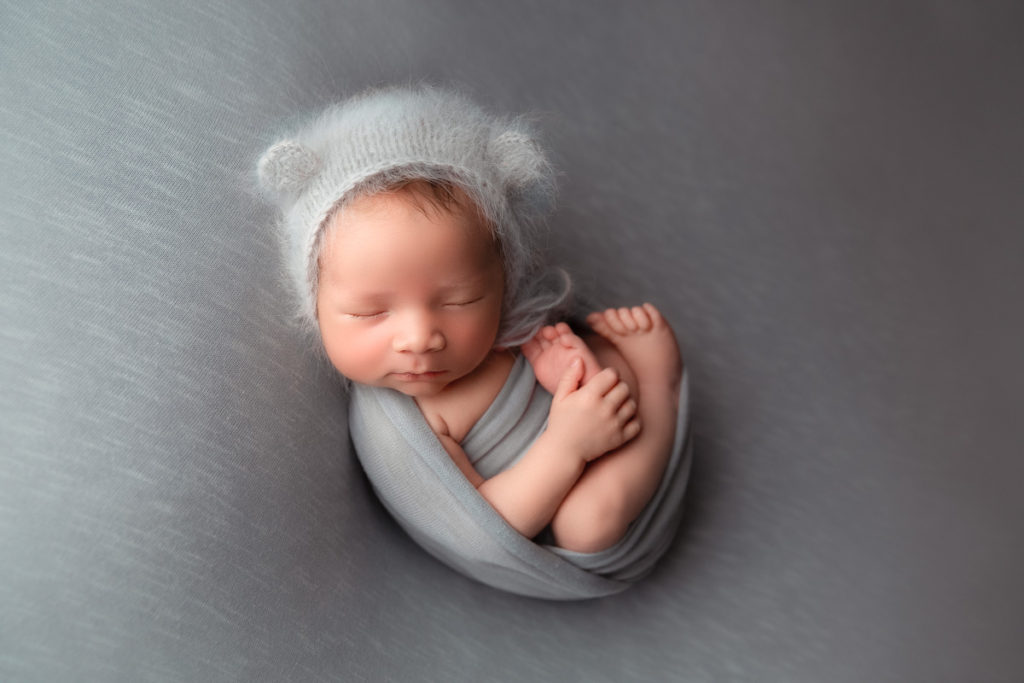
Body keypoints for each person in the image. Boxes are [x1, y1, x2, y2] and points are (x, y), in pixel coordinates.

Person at [259, 85, 682, 554]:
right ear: (314, 308)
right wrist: (567, 444)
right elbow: (490, 529)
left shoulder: (506, 332)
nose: (420, 339)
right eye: (371, 311)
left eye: (460, 301)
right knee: (587, 526)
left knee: (589, 362)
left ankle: (633, 385)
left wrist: (570, 376)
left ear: (503, 284)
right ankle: (658, 388)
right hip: (567, 481)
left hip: (593, 422)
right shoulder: (400, 434)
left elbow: (537, 375)